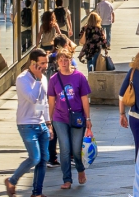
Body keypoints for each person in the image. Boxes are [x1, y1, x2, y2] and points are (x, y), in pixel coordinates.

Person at [4, 48, 52, 197]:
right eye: (42, 63)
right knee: (34, 158)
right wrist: (37, 79)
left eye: (46, 63)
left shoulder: (43, 78)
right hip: (26, 124)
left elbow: (43, 102)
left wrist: (48, 123)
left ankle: (37, 193)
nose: (45, 66)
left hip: (41, 124)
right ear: (33, 63)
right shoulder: (22, 79)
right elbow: (32, 98)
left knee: (43, 160)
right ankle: (12, 181)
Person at [47, 48, 92, 189]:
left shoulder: (79, 77)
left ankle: (80, 169)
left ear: (70, 60)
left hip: (77, 117)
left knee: (76, 149)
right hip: (59, 118)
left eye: (66, 59)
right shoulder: (54, 79)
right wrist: (50, 122)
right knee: (65, 149)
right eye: (60, 60)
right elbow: (51, 101)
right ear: (57, 62)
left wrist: (88, 118)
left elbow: (85, 99)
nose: (63, 62)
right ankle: (67, 179)